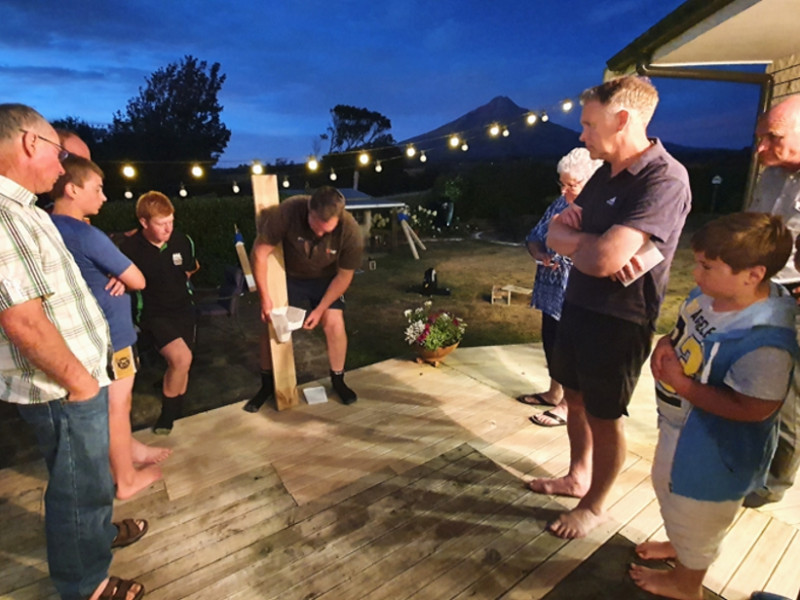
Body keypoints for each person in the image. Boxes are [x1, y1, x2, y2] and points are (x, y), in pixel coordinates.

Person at [531, 76, 692, 539]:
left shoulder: (663, 178)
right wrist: (587, 244)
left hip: (620, 318)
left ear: (622, 119)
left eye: (588, 124)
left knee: (604, 414)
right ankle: (577, 476)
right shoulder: (604, 175)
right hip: (577, 304)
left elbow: (603, 260)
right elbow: (554, 236)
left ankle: (595, 504)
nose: (581, 135)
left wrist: (582, 244)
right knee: (576, 400)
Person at [0, 104, 145, 599]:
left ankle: (98, 537)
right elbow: (21, 317)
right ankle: (87, 584)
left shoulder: (24, 211)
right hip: (62, 386)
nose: (64, 169)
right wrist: (82, 384)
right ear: (28, 144)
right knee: (76, 489)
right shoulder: (4, 215)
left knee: (84, 478)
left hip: (74, 380)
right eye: (59, 155)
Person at [630, 212, 797, 600]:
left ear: (752, 275)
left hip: (715, 451)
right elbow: (682, 331)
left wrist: (682, 385)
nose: (696, 275)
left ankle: (687, 583)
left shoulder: (764, 340)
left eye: (708, 266)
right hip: (681, 428)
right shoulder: (712, 297)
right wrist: (665, 344)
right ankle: (681, 548)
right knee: (669, 490)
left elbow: (754, 408)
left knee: (699, 512)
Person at [51, 155, 170, 499]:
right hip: (112, 335)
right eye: (98, 189)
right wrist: (119, 273)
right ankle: (126, 479)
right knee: (119, 406)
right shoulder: (85, 233)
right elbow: (138, 279)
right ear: (73, 189)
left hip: (82, 334)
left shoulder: (45, 224)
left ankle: (127, 451)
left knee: (110, 405)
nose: (104, 197)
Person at [245, 186, 363, 410]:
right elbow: (260, 253)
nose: (319, 235)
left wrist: (319, 310)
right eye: (315, 227)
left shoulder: (350, 231)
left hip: (327, 279)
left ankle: (338, 379)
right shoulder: (288, 211)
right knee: (270, 324)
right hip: (289, 275)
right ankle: (267, 384)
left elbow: (344, 276)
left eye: (326, 231)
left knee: (334, 323)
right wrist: (265, 298)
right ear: (309, 209)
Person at [517, 147, 602, 428]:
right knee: (552, 342)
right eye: (562, 183)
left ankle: (568, 404)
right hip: (551, 291)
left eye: (572, 185)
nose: (565, 190)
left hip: (578, 293)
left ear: (590, 180)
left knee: (571, 348)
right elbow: (534, 237)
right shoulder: (559, 204)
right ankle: (554, 393)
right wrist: (540, 254)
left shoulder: (599, 211)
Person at [744, 94, 800, 507]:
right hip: (761, 295)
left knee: (791, 398)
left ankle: (773, 482)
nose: (761, 148)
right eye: (759, 137)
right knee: (753, 381)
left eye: (773, 138)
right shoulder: (773, 174)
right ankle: (746, 461)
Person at [120, 191, 199, 435]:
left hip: (184, 309)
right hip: (153, 314)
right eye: (161, 223)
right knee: (181, 359)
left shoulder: (182, 241)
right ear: (144, 222)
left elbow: (191, 268)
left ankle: (177, 405)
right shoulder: (130, 247)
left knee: (183, 364)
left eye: (171, 222)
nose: (168, 229)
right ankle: (168, 412)